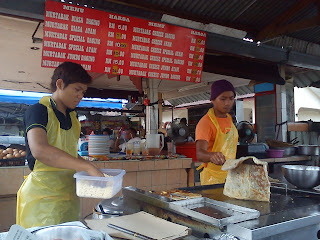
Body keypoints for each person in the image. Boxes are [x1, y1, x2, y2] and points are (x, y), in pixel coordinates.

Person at [16, 62, 104, 228]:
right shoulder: (38, 111)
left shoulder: (73, 118)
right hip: (42, 200)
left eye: (83, 92)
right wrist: (86, 166)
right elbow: (40, 150)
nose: (80, 96)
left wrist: (90, 168)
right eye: (77, 89)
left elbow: (68, 153)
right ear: (60, 84)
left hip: (68, 198)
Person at [195, 80, 238, 185]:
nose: (227, 103)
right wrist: (211, 156)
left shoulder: (229, 118)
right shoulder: (206, 123)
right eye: (223, 99)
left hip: (231, 176)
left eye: (231, 99)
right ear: (213, 100)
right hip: (213, 179)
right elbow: (200, 153)